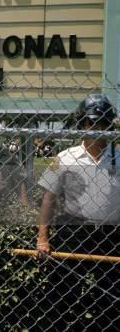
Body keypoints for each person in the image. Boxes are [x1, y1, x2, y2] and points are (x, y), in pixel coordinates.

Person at [35, 94, 119, 329]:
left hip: (111, 238)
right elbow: (48, 200)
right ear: (81, 124)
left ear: (109, 125)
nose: (95, 128)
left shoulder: (119, 158)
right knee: (60, 298)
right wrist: (42, 238)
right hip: (72, 234)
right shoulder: (65, 157)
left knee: (111, 301)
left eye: (101, 122)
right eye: (90, 122)